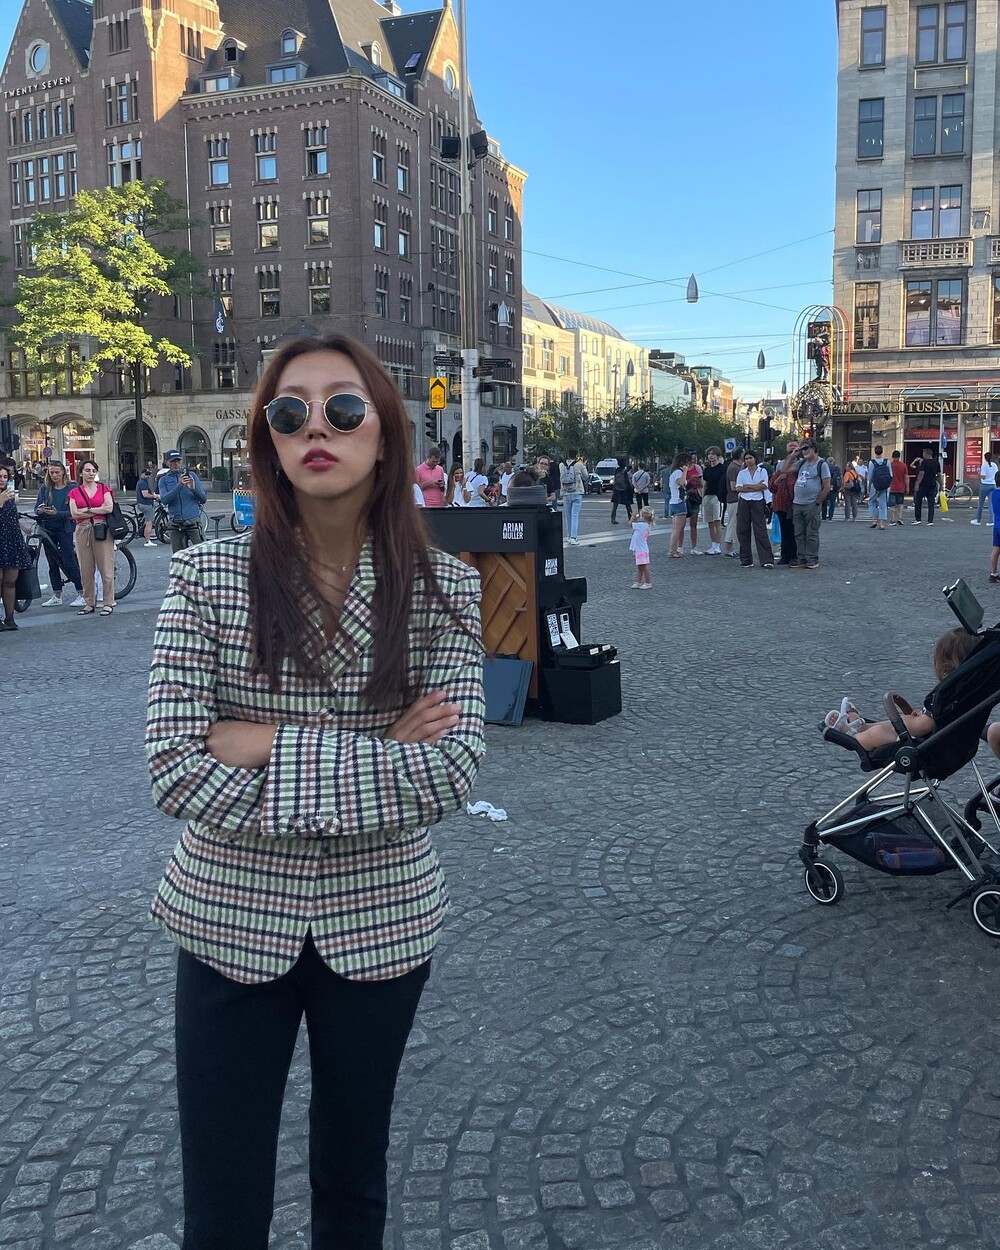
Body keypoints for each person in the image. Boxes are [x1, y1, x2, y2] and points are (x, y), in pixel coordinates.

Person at [145, 332, 485, 1250]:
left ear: (385, 431)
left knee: (352, 1188)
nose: (315, 429)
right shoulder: (205, 578)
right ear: (268, 437)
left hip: (382, 923)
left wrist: (259, 742)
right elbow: (175, 766)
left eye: (343, 407)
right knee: (221, 1209)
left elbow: (450, 770)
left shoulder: (446, 590)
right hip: (227, 923)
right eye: (289, 413)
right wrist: (374, 749)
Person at [825, 628, 978, 750]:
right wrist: (924, 715)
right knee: (907, 720)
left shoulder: (948, 693)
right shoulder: (970, 690)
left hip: (927, 747)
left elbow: (926, 725)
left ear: (944, 670)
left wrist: (925, 719)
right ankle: (863, 726)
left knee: (879, 733)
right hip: (945, 741)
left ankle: (855, 736)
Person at [68, 459, 117, 617]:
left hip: (102, 530)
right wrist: (97, 509)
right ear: (81, 472)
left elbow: (108, 508)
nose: (90, 473)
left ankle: (108, 602)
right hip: (82, 531)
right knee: (85, 570)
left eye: (93, 471)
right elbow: (74, 514)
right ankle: (89, 603)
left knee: (106, 569)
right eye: (87, 470)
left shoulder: (103, 488)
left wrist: (87, 509)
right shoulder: (74, 492)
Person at [34, 461, 85, 606]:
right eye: (51, 472)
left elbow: (75, 511)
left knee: (69, 560)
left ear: (63, 472)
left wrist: (58, 513)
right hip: (48, 528)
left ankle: (81, 592)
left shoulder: (72, 488)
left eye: (57, 472)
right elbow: (36, 508)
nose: (54, 475)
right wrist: (40, 510)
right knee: (52, 562)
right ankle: (57, 595)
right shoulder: (45, 488)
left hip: (64, 528)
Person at [788, 440, 831, 569]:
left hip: (811, 503)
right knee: (799, 533)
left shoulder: (822, 464)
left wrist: (817, 502)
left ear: (814, 448)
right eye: (802, 449)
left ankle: (812, 558)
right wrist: (793, 455)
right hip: (798, 503)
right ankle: (801, 558)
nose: (804, 451)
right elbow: (784, 470)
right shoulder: (802, 463)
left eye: (806, 448)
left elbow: (827, 486)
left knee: (811, 533)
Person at [0, 464, 33, 630]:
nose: (2, 480)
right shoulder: (3, 496)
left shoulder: (9, 495)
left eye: (5, 477)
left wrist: (23, 526)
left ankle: (10, 618)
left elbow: (11, 516)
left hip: (11, 540)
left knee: (10, 580)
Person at [159, 451, 208, 550]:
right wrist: (179, 486)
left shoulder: (192, 476)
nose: (176, 464)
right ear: (167, 462)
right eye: (173, 461)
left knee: (201, 551)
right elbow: (164, 500)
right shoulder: (163, 480)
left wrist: (193, 489)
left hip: (192, 521)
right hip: (175, 523)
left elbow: (203, 499)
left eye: (178, 461)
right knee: (178, 555)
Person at [735, 450, 774, 568]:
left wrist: (748, 486)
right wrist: (756, 486)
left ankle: (767, 559)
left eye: (750, 458)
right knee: (742, 530)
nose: (748, 461)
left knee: (760, 530)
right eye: (746, 459)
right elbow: (738, 488)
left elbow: (764, 486)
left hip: (757, 501)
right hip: (744, 501)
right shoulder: (742, 473)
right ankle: (746, 559)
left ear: (755, 459)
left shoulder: (762, 471)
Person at [769, 440, 798, 566]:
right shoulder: (780, 469)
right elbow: (772, 486)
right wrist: (779, 479)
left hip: (793, 504)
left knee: (793, 531)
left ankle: (794, 556)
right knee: (785, 531)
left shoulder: (798, 470)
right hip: (781, 504)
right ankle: (785, 556)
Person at [666, 452, 691, 558]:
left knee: (676, 528)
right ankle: (672, 550)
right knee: (678, 528)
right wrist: (685, 471)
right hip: (679, 502)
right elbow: (681, 482)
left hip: (674, 501)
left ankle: (673, 549)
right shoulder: (678, 472)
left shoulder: (674, 472)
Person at [701, 447, 726, 554]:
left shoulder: (723, 468)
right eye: (709, 454)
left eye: (713, 454)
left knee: (717, 522)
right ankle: (713, 545)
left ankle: (717, 546)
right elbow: (705, 484)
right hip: (708, 496)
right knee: (710, 522)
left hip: (717, 497)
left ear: (718, 455)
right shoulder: (706, 470)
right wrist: (702, 497)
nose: (710, 456)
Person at [560, 449, 588, 545]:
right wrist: (584, 466)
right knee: (575, 515)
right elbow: (586, 476)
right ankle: (573, 537)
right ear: (576, 455)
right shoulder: (579, 465)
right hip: (577, 491)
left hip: (565, 492)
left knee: (568, 516)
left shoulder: (561, 465)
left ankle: (569, 536)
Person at [722, 448, 745, 557]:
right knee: (733, 523)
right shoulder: (733, 468)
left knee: (736, 523)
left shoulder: (738, 467)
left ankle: (732, 547)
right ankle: (728, 549)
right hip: (734, 499)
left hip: (737, 498)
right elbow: (733, 486)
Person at [911, 445, 941, 525]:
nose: (923, 455)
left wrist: (917, 484)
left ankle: (918, 519)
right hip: (932, 485)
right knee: (931, 503)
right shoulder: (936, 463)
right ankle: (930, 520)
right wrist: (940, 484)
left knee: (918, 502)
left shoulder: (924, 462)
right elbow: (939, 475)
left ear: (927, 454)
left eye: (923, 453)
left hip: (923, 485)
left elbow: (921, 473)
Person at [867, 445, 892, 531]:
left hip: (875, 485)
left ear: (875, 452)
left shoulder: (872, 463)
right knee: (883, 503)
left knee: (871, 502)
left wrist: (868, 487)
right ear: (882, 452)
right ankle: (882, 523)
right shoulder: (887, 462)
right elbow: (891, 475)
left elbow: (870, 477)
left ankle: (874, 521)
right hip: (884, 485)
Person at [683, 456, 705, 555]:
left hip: (695, 497)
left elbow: (701, 485)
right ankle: (679, 547)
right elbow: (681, 484)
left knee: (694, 523)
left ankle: (694, 547)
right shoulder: (682, 468)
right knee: (681, 524)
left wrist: (698, 480)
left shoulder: (697, 468)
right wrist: (690, 479)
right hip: (684, 496)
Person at [629, 506, 654, 588]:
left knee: (644, 567)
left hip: (640, 549)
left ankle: (648, 582)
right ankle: (638, 582)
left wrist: (633, 517)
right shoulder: (647, 524)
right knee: (640, 566)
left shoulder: (641, 525)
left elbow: (630, 524)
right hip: (641, 548)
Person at [973, 452, 998, 526]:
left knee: (981, 503)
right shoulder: (994, 465)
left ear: (985, 458)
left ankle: (978, 520)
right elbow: (997, 475)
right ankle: (991, 521)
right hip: (993, 485)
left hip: (984, 485)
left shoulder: (984, 465)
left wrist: (979, 474)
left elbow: (983, 476)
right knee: (991, 504)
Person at [136, 465, 158, 546]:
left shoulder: (142, 482)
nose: (148, 476)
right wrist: (154, 496)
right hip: (146, 504)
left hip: (142, 503)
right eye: (146, 474)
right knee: (149, 523)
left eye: (149, 474)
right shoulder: (143, 482)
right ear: (142, 474)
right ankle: (147, 541)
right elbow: (145, 495)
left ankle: (145, 536)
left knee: (147, 522)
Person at [610, 460, 633, 525]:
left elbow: (615, 480)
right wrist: (630, 489)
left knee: (615, 506)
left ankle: (613, 519)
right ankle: (631, 518)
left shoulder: (616, 471)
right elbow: (626, 481)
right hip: (624, 490)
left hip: (616, 489)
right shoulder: (624, 471)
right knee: (628, 505)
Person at [889, 450, 908, 526]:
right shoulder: (903, 465)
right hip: (901, 487)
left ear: (892, 456)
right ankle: (899, 518)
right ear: (899, 457)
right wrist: (907, 487)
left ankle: (892, 519)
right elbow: (906, 477)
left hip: (892, 487)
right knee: (900, 504)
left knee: (891, 505)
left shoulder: (890, 465)